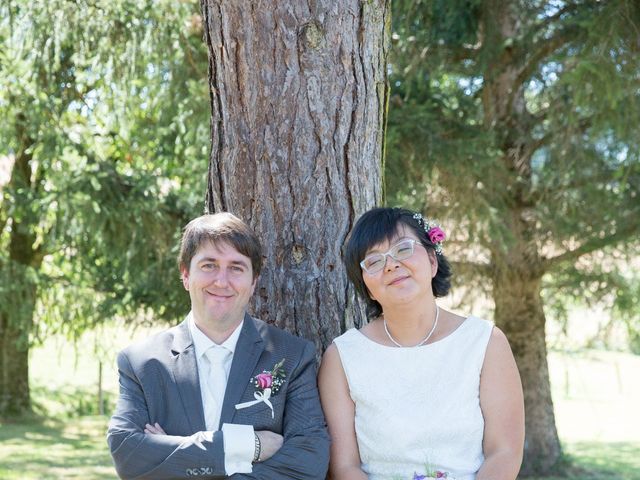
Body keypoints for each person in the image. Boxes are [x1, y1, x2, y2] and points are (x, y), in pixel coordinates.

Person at [107, 212, 329, 479]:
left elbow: (308, 461)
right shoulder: (140, 362)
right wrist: (247, 446)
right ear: (186, 275)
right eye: (209, 265)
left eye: (236, 267)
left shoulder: (291, 355)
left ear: (253, 281)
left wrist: (175, 456)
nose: (221, 281)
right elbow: (128, 455)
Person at [318, 207, 524, 480]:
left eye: (403, 249)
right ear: (366, 286)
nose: (391, 265)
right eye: (375, 261)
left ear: (432, 260)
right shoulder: (342, 356)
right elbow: (344, 467)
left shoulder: (485, 342)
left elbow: (504, 452)